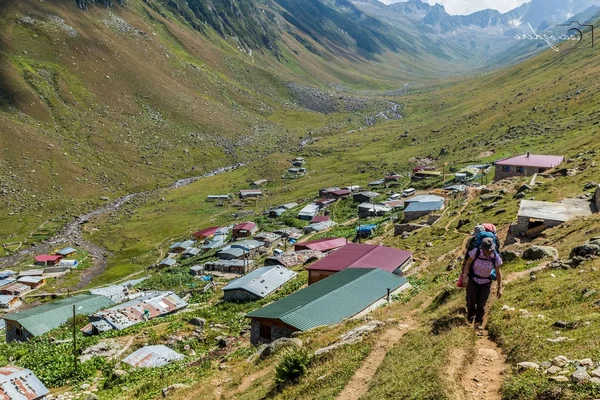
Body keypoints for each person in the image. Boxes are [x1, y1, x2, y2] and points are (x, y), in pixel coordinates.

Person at [461, 237, 503, 329]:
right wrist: (464, 277)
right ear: (482, 248)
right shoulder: (476, 252)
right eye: (486, 250)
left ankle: (478, 322)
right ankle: (470, 316)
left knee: (481, 302)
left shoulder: (495, 257)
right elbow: (467, 264)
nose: (488, 252)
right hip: (473, 280)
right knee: (471, 300)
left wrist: (499, 288)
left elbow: (498, 272)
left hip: (486, 282)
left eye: (490, 250)